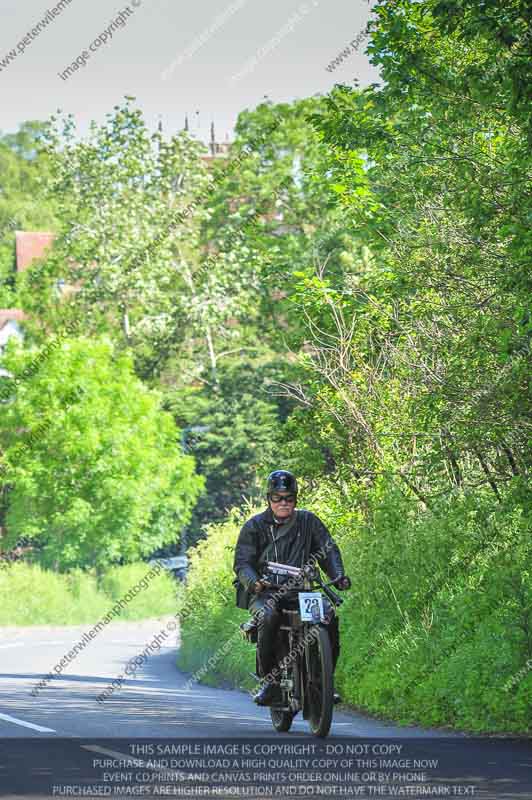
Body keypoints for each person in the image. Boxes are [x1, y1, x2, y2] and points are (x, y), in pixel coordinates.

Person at [233, 469, 351, 706]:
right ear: (269, 499)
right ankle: (270, 681)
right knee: (268, 615)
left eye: (288, 497)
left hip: (303, 592)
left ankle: (323, 681)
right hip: (266, 592)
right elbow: (242, 563)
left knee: (327, 614)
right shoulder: (254, 526)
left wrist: (338, 576)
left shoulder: (309, 521)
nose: (283, 502)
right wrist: (254, 583)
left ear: (296, 498)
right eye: (277, 497)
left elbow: (327, 550)